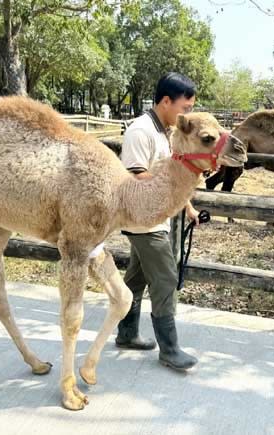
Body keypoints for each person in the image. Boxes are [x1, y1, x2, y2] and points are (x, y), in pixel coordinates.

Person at [117, 72, 199, 371]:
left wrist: (186, 205)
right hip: (143, 221)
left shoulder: (165, 131)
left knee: (137, 279)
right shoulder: (141, 131)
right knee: (164, 278)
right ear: (166, 101)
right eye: (185, 107)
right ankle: (170, 349)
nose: (187, 113)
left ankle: (126, 333)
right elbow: (136, 175)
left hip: (157, 218)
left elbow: (169, 175)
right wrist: (172, 195)